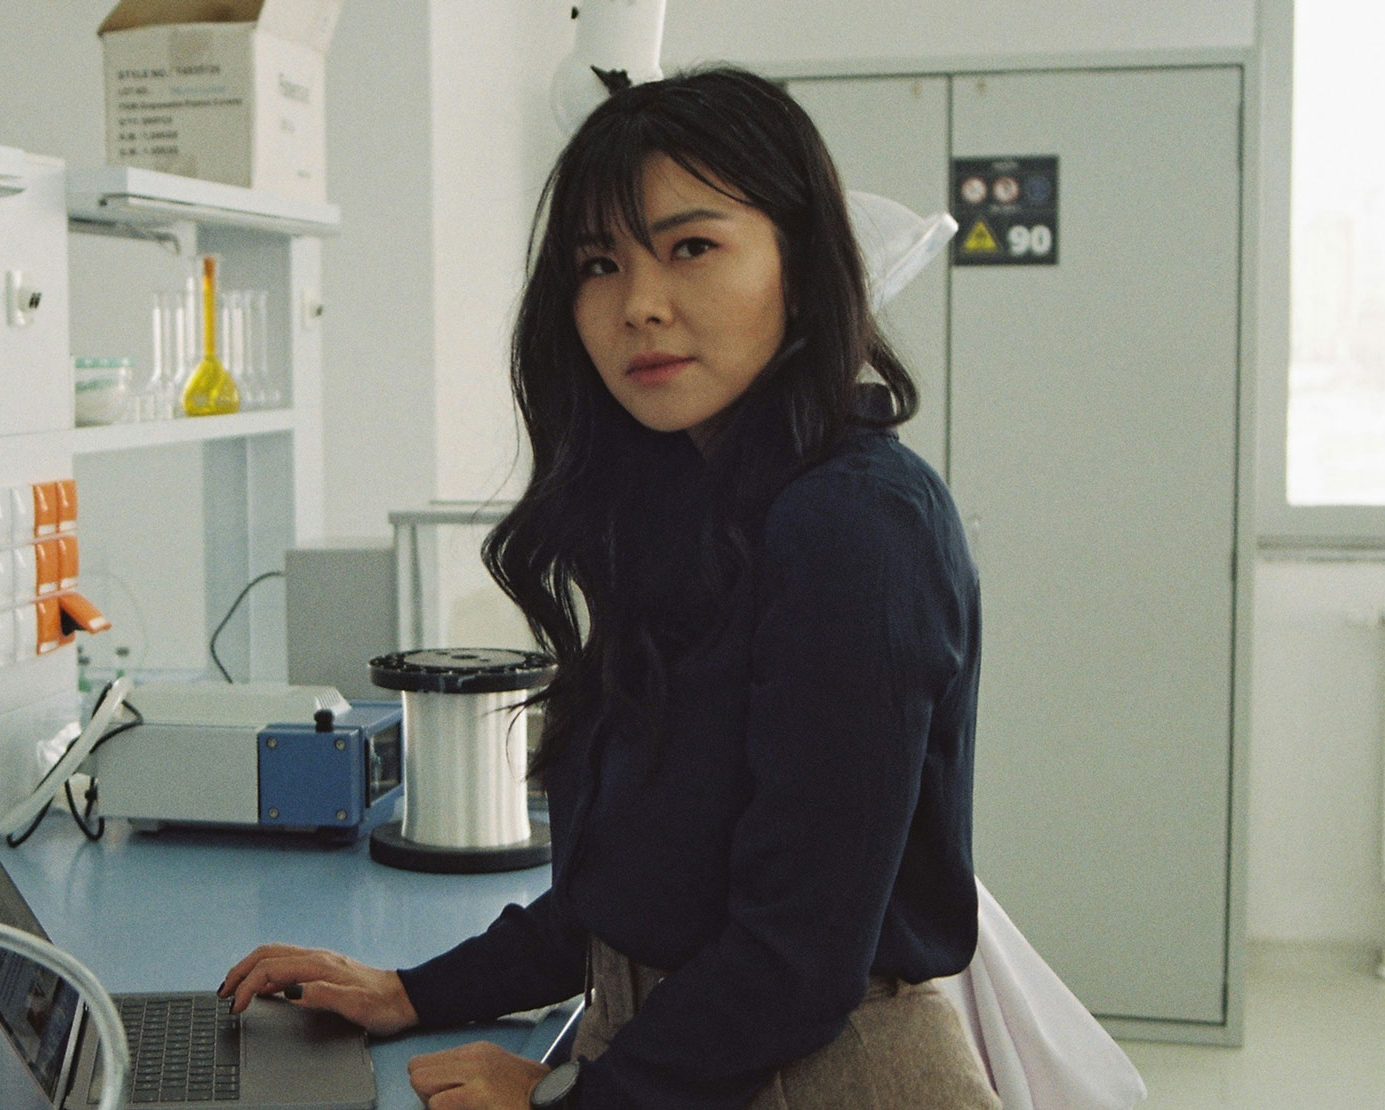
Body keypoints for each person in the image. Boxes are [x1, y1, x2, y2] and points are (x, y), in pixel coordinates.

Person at [218, 64, 996, 1109]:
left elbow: (792, 960)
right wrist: (409, 992)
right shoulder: (690, 508)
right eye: (597, 264)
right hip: (694, 1060)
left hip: (820, 1076)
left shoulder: (855, 528)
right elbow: (632, 891)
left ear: (803, 269)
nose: (637, 305)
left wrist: (557, 1103)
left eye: (690, 248)